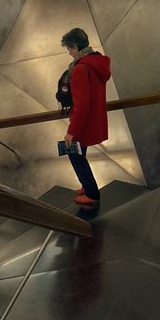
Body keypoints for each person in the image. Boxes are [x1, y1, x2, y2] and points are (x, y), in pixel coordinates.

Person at [60, 28, 110, 206]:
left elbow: (82, 105)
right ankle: (86, 186)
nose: (69, 52)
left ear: (75, 46)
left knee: (75, 156)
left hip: (83, 122)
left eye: (69, 48)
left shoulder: (80, 69)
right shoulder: (96, 62)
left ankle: (92, 194)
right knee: (81, 153)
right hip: (94, 120)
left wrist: (71, 132)